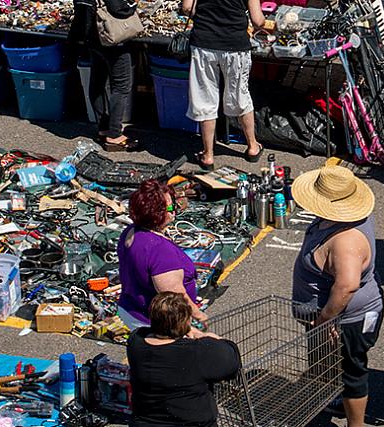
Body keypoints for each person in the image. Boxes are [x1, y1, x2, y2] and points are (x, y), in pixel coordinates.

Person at [290, 165, 382, 427]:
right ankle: (333, 397)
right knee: (331, 363)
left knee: (352, 370)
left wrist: (324, 320)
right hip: (332, 317)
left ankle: (356, 424)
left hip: (347, 319)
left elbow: (347, 286)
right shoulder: (343, 220)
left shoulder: (345, 242)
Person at [127, 292, 241, 427]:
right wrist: (203, 335)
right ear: (186, 321)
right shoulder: (196, 352)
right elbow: (232, 360)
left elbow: (146, 332)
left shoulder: (136, 342)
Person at [182, 0, 265, 170]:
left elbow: (187, 8)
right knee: (240, 95)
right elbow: (258, 21)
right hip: (235, 44)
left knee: (204, 98)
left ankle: (208, 155)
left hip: (204, 43)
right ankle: (252, 147)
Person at [116, 180, 206, 331]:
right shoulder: (160, 250)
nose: (174, 210)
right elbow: (174, 297)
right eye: (170, 207)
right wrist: (197, 316)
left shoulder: (130, 231)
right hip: (155, 322)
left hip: (130, 309)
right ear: (156, 213)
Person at [69, 0, 137, 151]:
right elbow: (118, 8)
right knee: (122, 85)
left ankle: (103, 127)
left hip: (90, 34)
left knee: (98, 80)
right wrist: (133, 5)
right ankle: (114, 134)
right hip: (110, 36)